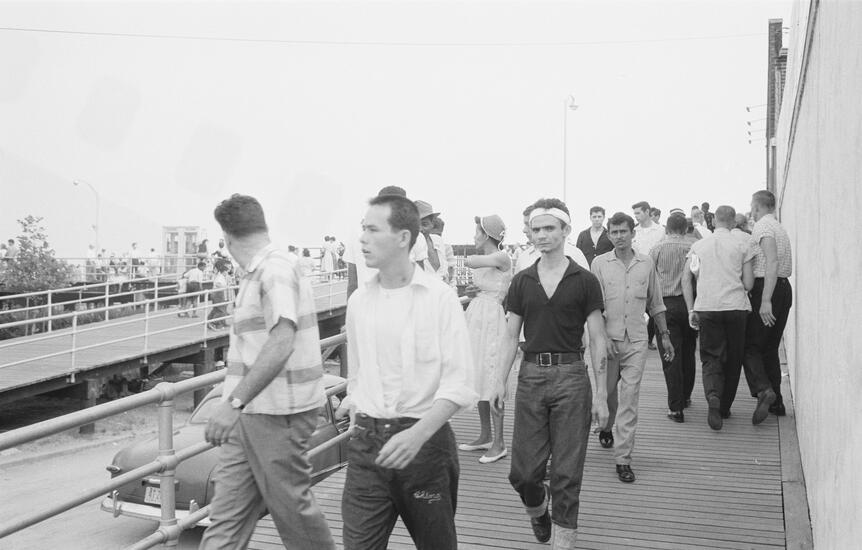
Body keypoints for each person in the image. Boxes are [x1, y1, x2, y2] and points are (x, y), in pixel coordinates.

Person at [336, 194, 477, 550]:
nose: (362, 238)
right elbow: (358, 371)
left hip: (425, 446)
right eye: (362, 229)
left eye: (372, 230)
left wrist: (417, 435)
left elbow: (460, 383)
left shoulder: (439, 298)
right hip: (367, 446)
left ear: (402, 238)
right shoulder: (359, 302)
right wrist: (355, 401)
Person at [199, 194, 335, 550]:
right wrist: (237, 405)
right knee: (226, 516)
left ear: (227, 237)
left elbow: (282, 341)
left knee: (293, 513)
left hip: (279, 413)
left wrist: (234, 402)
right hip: (251, 413)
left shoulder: (274, 270)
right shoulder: (257, 273)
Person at [488, 198, 607, 550]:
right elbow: (510, 335)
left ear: (565, 230)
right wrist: (498, 380)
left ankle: (563, 541)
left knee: (566, 474)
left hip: (572, 376)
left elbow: (598, 338)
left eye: (549, 228)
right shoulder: (523, 281)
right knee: (524, 473)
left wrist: (601, 395)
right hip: (531, 376)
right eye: (536, 229)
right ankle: (538, 510)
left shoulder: (584, 281)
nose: (541, 235)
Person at [591, 212, 673, 484]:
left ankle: (623, 459)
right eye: (614, 232)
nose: (618, 237)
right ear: (609, 235)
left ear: (632, 233)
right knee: (608, 393)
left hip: (636, 341)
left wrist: (664, 335)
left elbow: (656, 303)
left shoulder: (646, 263)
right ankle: (606, 426)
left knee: (630, 397)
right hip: (607, 342)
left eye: (623, 231)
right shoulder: (599, 264)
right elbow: (594, 307)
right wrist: (602, 338)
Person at [682, 205, 755, 430]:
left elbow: (687, 279)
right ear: (733, 222)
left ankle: (713, 394)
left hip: (707, 306)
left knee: (711, 357)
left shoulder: (699, 245)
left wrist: (691, 309)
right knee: (733, 358)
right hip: (735, 307)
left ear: (713, 221)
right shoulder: (742, 244)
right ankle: (724, 407)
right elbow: (748, 284)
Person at [459, 215, 512, 464]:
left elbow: (471, 261)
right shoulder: (488, 259)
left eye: (477, 233)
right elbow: (483, 283)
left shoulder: (501, 256)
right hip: (477, 317)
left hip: (492, 319)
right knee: (479, 375)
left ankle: (499, 442)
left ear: (487, 234)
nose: (474, 237)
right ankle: (485, 435)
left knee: (492, 375)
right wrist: (473, 291)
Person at [743, 190, 793, 418]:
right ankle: (777, 403)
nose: (751, 211)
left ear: (757, 206)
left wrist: (765, 300)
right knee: (770, 347)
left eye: (752, 206)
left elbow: (771, 262)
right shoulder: (779, 227)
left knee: (750, 346)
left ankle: (764, 390)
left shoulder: (763, 227)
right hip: (783, 288)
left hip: (768, 288)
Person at [649, 213, 697, 422]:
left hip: (664, 306)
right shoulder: (694, 247)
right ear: (685, 229)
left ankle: (676, 408)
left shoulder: (656, 249)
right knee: (688, 352)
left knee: (670, 355)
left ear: (666, 229)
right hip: (690, 304)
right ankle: (685, 396)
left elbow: (648, 278)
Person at [344, 186, 429, 297]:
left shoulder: (357, 235)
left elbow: (352, 283)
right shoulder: (415, 235)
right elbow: (420, 282)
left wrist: (350, 306)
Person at [516, 202, 589, 272]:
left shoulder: (575, 255)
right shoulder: (523, 259)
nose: (524, 230)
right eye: (536, 229)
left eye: (548, 228)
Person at [632, 201, 664, 350]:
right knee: (638, 306)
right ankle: (638, 338)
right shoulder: (634, 231)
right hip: (636, 273)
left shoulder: (660, 231)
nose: (636, 216)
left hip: (655, 273)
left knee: (654, 306)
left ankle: (650, 338)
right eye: (634, 213)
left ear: (647, 212)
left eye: (638, 213)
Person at [415, 200, 450, 282]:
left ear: (432, 223)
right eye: (416, 225)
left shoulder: (438, 241)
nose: (420, 229)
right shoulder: (409, 249)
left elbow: (447, 273)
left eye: (424, 224)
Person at [207, 259, 231, 330]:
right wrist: (225, 287)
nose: (227, 273)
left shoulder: (221, 276)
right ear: (223, 271)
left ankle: (210, 322)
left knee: (216, 309)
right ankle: (214, 322)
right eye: (226, 272)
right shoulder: (220, 277)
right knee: (221, 310)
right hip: (218, 294)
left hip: (218, 293)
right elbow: (218, 284)